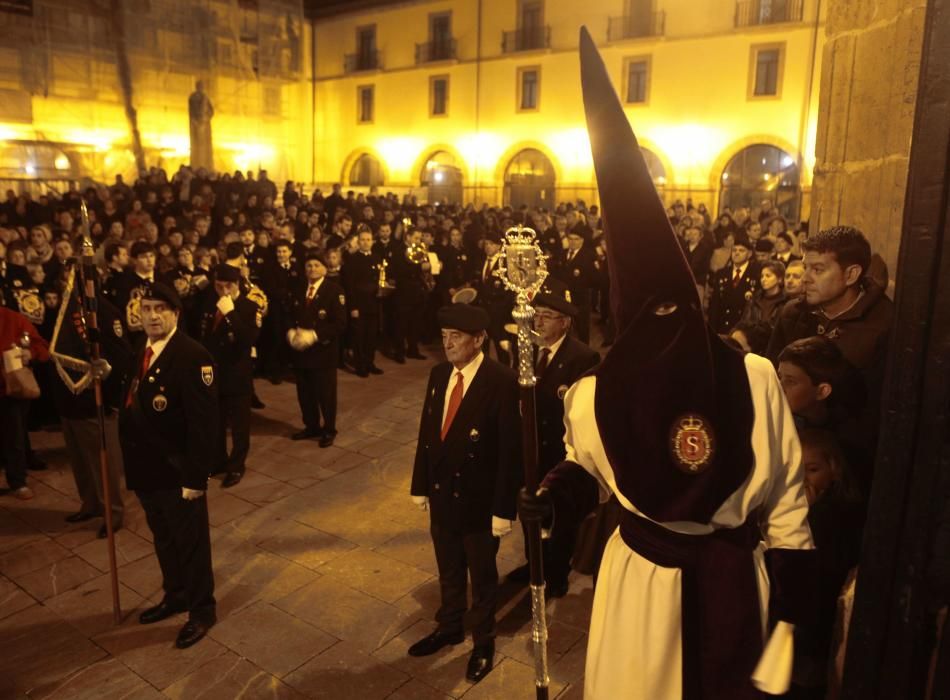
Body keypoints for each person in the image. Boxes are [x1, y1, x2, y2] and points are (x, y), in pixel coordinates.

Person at [519, 29, 816, 699]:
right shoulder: (757, 374)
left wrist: (558, 491)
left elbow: (587, 471)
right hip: (729, 579)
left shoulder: (590, 394)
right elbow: (788, 503)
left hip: (645, 581)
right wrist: (793, 611)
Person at [408, 302, 521, 683]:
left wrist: (504, 508)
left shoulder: (501, 380)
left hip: (478, 500)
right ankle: (449, 625)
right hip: (442, 495)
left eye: (456, 337)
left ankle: (482, 641)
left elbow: (510, 450)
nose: (448, 344)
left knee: (483, 576)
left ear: (479, 339)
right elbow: (427, 434)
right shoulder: (440, 375)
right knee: (449, 569)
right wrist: (420, 485)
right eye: (444, 337)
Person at [118, 283, 218, 649]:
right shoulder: (140, 351)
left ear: (176, 313)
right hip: (147, 469)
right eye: (147, 309)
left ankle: (201, 610)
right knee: (163, 538)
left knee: (191, 544)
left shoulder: (193, 356)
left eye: (161, 308)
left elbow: (205, 425)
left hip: (177, 472)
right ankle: (175, 595)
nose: (153, 315)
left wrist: (197, 477)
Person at [506, 276, 600, 597]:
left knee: (558, 517)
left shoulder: (582, 357)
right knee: (529, 511)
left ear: (565, 322)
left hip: (559, 451)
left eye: (547, 315)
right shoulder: (528, 348)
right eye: (537, 314)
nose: (539, 320)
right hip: (529, 446)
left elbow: (582, 410)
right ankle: (533, 564)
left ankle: (556, 575)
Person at [51, 265, 132, 537]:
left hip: (95, 399)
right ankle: (90, 503)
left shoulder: (105, 313)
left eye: (72, 280)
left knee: (103, 463)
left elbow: (122, 356)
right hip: (70, 398)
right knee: (80, 460)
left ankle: (113, 513)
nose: (66, 285)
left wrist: (106, 369)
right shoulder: (63, 313)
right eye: (64, 280)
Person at [198, 265, 260, 488]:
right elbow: (204, 336)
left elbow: (247, 339)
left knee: (240, 426)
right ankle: (219, 461)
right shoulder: (209, 303)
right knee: (216, 422)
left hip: (237, 375)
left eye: (228, 285)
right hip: (215, 374)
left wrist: (231, 313)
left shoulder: (249, 306)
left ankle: (236, 466)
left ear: (237, 285)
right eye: (218, 285)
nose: (223, 290)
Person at [287, 253, 346, 447]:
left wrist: (314, 335)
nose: (312, 269)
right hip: (301, 351)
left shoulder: (333, 290)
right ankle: (311, 425)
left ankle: (329, 429)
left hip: (322, 352)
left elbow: (339, 324)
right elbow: (290, 314)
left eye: (316, 265)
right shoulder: (298, 289)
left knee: (326, 394)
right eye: (309, 266)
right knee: (305, 393)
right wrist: (290, 332)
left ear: (324, 268)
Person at [0, 306, 49, 500]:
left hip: (11, 390)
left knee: (15, 438)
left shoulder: (13, 319)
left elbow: (41, 348)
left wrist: (30, 354)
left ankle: (17, 481)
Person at [341, 227, 383, 377]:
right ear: (358, 242)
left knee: (371, 336)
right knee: (359, 336)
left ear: (372, 241)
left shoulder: (377, 258)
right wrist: (353, 306)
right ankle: (360, 365)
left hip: (373, 303)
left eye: (368, 240)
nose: (365, 242)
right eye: (363, 240)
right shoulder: (352, 260)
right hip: (359, 303)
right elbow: (349, 285)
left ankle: (370, 362)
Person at [708, 229, 761, 334]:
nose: (737, 253)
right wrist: (712, 329)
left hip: (743, 330)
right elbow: (715, 304)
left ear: (749, 254)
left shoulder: (756, 274)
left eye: (741, 251)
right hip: (722, 327)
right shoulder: (722, 273)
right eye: (734, 250)